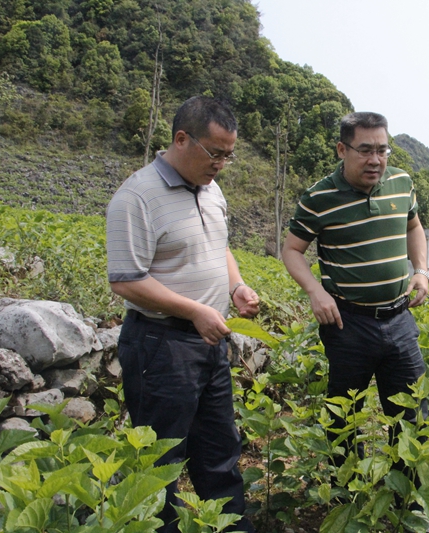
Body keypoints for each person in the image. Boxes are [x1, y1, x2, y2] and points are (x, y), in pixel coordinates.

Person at [281, 111, 429, 533]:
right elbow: (292, 250)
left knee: (412, 412)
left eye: (382, 149)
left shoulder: (402, 184)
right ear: (342, 149)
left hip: (400, 317)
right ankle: (346, 498)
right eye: (365, 150)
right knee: (345, 413)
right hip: (348, 323)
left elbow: (415, 227)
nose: (376, 159)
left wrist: (421, 269)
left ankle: (412, 504)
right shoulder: (318, 197)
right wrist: (316, 292)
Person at [106, 96, 259, 533]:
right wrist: (195, 310)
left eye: (229, 155)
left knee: (220, 449)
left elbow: (219, 246)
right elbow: (125, 280)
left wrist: (236, 286)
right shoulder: (137, 196)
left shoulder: (212, 190)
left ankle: (230, 527)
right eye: (215, 153)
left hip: (208, 342)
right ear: (181, 139)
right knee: (161, 461)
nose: (222, 165)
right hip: (159, 345)